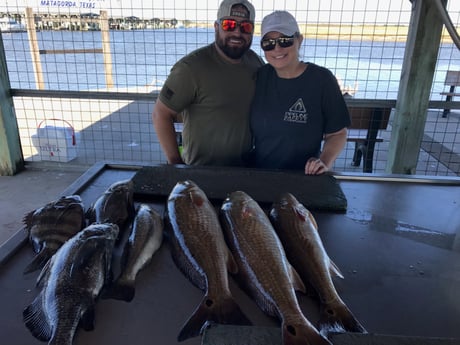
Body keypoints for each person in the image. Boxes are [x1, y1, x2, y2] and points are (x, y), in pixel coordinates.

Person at [152, 0, 264, 166]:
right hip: (201, 170)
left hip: (244, 169)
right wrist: (176, 163)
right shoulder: (191, 68)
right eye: (229, 25)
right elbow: (160, 114)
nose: (237, 33)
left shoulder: (256, 63)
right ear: (216, 27)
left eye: (246, 27)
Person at [249, 10, 350, 175]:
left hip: (304, 178)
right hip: (261, 175)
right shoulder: (259, 77)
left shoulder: (321, 79)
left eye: (285, 41)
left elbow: (338, 133)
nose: (277, 48)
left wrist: (324, 162)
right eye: (269, 43)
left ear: (299, 40)